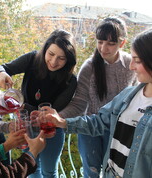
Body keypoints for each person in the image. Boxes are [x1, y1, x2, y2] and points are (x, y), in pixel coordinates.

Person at [41, 28, 152, 178]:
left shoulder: (126, 68)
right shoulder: (129, 95)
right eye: (100, 42)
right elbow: (99, 121)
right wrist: (61, 121)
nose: (132, 66)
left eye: (137, 61)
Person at [0, 29, 77, 178]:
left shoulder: (71, 81)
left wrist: (23, 106)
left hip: (51, 130)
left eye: (61, 58)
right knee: (31, 168)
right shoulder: (32, 59)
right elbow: (2, 68)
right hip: (26, 125)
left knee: (50, 171)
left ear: (69, 60)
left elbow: (52, 113)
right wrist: (1, 74)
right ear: (45, 49)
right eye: (51, 54)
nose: (53, 61)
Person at [59, 17, 137, 177]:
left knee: (115, 172)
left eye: (110, 43)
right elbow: (79, 103)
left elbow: (135, 98)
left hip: (119, 129)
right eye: (100, 41)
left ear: (122, 43)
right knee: (91, 172)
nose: (103, 48)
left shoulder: (131, 64)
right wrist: (58, 118)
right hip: (90, 128)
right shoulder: (89, 66)